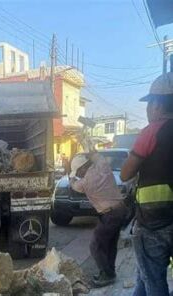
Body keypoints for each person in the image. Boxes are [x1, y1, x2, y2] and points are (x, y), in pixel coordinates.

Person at [121, 72, 173, 296]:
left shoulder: (152, 131)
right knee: (144, 275)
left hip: (154, 222)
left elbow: (125, 173)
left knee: (153, 280)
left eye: (150, 104)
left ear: (157, 105)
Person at [70, 152, 127, 287]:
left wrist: (71, 178)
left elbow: (74, 186)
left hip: (110, 215)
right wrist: (89, 154)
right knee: (110, 244)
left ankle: (106, 274)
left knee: (96, 245)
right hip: (120, 210)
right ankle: (110, 273)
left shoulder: (85, 182)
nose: (78, 175)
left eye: (78, 172)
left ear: (83, 168)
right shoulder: (103, 165)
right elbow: (97, 156)